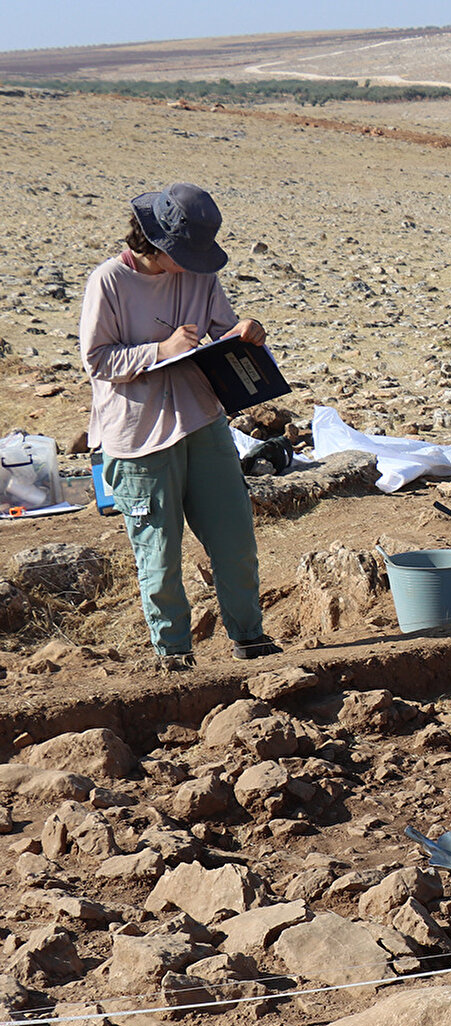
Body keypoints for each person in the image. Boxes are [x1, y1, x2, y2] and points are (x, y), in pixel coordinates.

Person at [80, 182, 281, 669]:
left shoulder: (201, 277)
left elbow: (223, 333)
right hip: (138, 435)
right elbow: (97, 359)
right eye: (187, 252)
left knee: (235, 542)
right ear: (158, 243)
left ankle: (250, 640)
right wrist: (161, 351)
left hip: (202, 420)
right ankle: (174, 655)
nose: (195, 262)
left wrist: (245, 333)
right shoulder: (108, 281)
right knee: (160, 555)